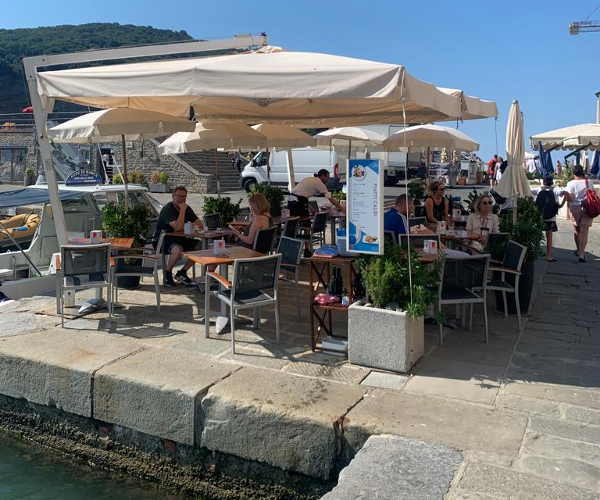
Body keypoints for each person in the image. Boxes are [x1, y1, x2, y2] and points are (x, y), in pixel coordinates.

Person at [154, 186, 202, 286]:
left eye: (184, 197)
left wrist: (188, 224)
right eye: (179, 196)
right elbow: (178, 227)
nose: (181, 199)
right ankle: (167, 273)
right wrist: (183, 210)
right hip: (163, 240)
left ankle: (182, 272)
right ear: (173, 196)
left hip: (180, 238)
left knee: (201, 246)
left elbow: (199, 223)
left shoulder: (186, 208)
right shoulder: (168, 209)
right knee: (178, 249)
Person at [532, 176, 569, 262]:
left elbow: (528, 192)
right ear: (552, 182)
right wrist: (561, 205)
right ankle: (549, 255)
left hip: (540, 216)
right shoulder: (555, 190)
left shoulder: (539, 189)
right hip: (551, 217)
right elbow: (566, 194)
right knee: (549, 236)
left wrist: (533, 205)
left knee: (538, 234)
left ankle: (536, 252)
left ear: (543, 182)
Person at [565, 164, 594, 262]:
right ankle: (582, 254)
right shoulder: (589, 182)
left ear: (573, 173)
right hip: (588, 208)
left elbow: (571, 198)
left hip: (575, 208)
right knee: (584, 232)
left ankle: (578, 250)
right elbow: (593, 195)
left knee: (577, 230)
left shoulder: (570, 183)